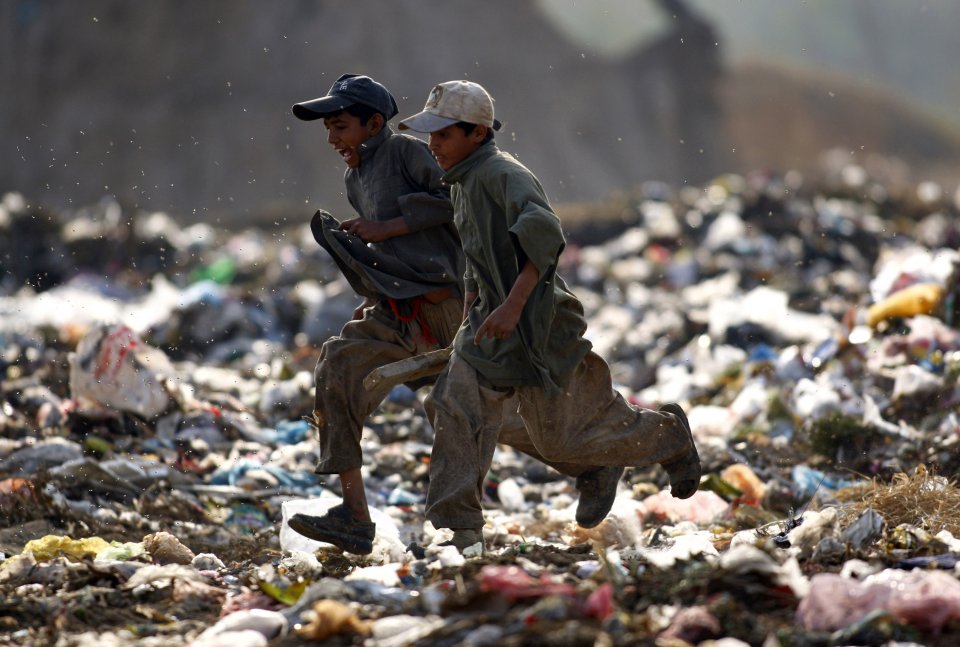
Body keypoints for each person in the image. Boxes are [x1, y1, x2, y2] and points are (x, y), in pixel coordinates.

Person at [286, 74, 621, 556]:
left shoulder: (408, 152)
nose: (332, 138)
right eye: (328, 130)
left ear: (374, 123)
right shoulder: (354, 175)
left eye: (339, 126)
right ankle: (354, 516)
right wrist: (375, 272)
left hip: (446, 302)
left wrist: (387, 227)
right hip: (398, 306)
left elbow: (452, 201)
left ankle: (589, 466)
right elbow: (402, 247)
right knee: (338, 366)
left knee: (470, 412)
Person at [398, 80, 701, 551]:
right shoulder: (460, 182)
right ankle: (459, 529)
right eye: (430, 135)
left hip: (538, 326)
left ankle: (668, 438)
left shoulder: (503, 175)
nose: (432, 144)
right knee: (452, 406)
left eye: (442, 134)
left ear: (477, 133)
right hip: (487, 326)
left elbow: (545, 239)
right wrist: (470, 315)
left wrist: (512, 307)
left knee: (564, 437)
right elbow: (476, 258)